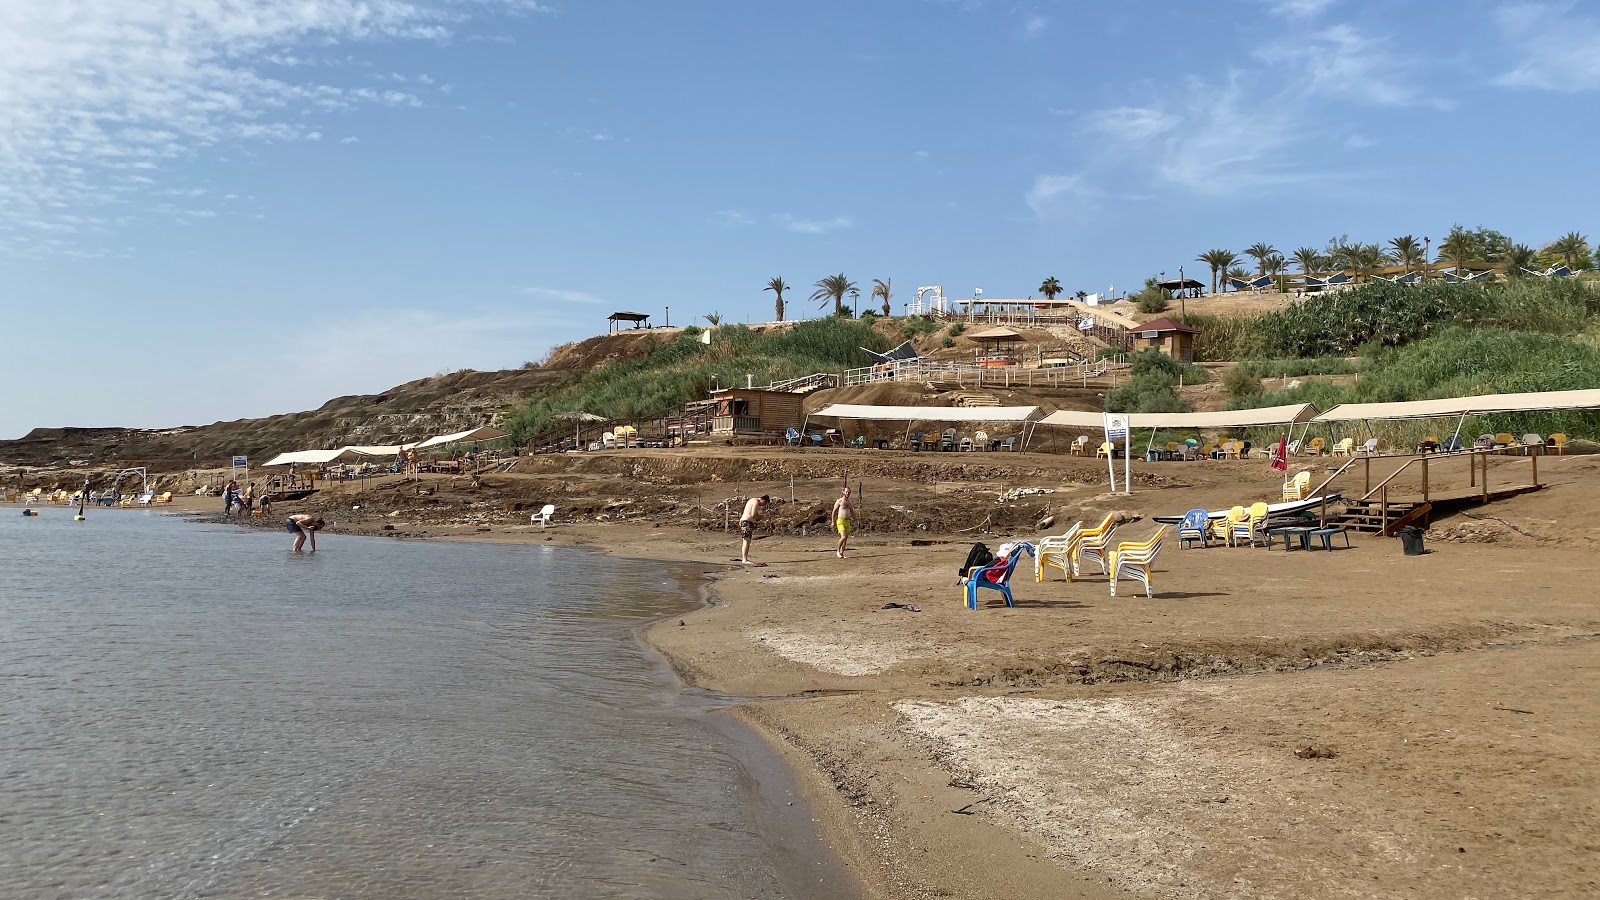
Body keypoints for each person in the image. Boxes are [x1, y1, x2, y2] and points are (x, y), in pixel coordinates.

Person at [739, 495, 769, 565]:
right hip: (746, 523)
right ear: (763, 500)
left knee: (747, 541)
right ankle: (744, 559)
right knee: (746, 541)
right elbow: (753, 515)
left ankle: (745, 558)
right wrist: (762, 517)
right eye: (764, 504)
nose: (762, 506)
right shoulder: (755, 502)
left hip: (746, 522)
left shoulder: (752, 500)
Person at [831, 486, 854, 559]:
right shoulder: (839, 501)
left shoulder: (849, 502)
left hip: (847, 521)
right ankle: (838, 551)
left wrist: (856, 520)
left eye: (849, 492)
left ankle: (842, 553)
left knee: (845, 539)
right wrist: (833, 521)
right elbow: (834, 511)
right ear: (843, 492)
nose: (848, 493)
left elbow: (852, 512)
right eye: (846, 492)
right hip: (841, 520)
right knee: (843, 536)